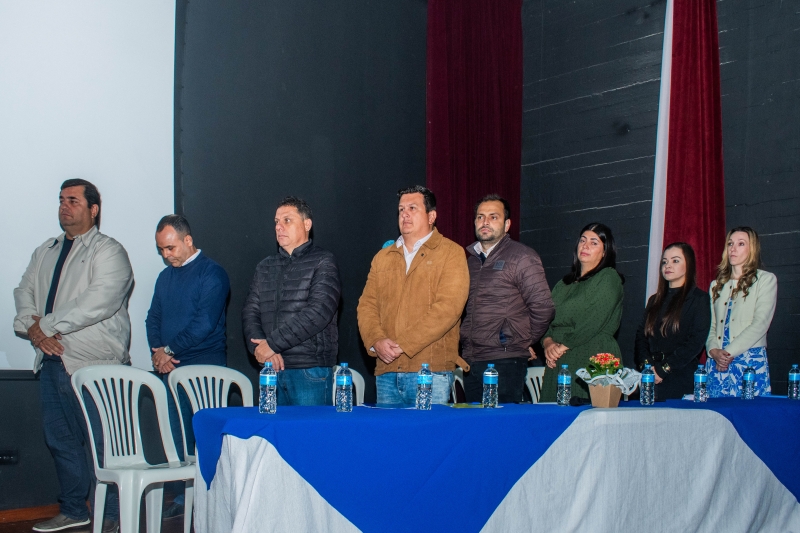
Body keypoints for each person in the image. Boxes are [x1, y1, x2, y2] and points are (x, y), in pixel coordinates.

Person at [14, 179, 133, 533]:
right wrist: (32, 327)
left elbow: (98, 301)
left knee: (104, 444)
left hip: (96, 365)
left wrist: (44, 326)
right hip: (52, 362)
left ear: (93, 209)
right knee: (61, 441)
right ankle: (74, 510)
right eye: (61, 200)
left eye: (73, 200)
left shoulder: (109, 251)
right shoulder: (46, 250)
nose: (64, 206)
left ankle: (111, 517)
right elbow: (23, 291)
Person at [146, 214, 230, 518]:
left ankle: (214, 499)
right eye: (161, 250)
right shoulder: (164, 277)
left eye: (170, 248)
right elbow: (153, 318)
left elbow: (204, 323)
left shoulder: (213, 273)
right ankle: (186, 498)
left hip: (204, 371)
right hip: (171, 371)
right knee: (178, 439)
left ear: (188, 240)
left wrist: (168, 350)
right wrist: (159, 352)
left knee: (205, 437)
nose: (166, 255)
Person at [357, 185, 470, 406]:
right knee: (389, 431)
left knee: (427, 431)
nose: (405, 214)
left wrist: (403, 344)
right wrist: (376, 341)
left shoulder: (451, 253)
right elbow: (366, 305)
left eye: (412, 208)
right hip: (387, 371)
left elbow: (448, 309)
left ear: (431, 216)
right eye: (401, 209)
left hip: (430, 372)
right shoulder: (382, 258)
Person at [242, 196, 341, 405]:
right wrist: (262, 350)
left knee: (309, 428)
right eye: (276, 222)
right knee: (271, 428)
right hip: (271, 369)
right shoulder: (264, 266)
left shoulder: (323, 261)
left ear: (307, 224)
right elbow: (250, 311)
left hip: (309, 370)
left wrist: (272, 344)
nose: (279, 227)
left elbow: (318, 312)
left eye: (287, 220)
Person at [460, 194, 554, 403]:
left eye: (493, 217)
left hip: (505, 361)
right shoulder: (470, 262)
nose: (485, 222)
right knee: (474, 422)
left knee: (500, 423)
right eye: (480, 217)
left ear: (507, 224)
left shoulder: (522, 256)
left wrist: (521, 340)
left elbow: (543, 307)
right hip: (471, 361)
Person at [539, 223, 623, 402]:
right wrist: (548, 343)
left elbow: (593, 320)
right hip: (559, 359)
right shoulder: (563, 284)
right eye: (583, 240)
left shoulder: (608, 277)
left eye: (594, 242)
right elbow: (546, 318)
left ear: (605, 252)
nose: (585, 246)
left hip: (592, 356)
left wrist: (561, 347)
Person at [706, 227, 777, 397]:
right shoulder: (716, 285)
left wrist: (727, 354)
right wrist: (713, 351)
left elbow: (760, 324)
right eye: (730, 243)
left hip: (749, 360)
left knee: (751, 411)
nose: (733, 248)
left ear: (752, 249)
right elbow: (710, 325)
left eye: (741, 244)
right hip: (717, 362)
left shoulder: (765, 280)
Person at [634, 243, 711, 399]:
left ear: (688, 265)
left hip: (680, 375)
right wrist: (648, 368)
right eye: (664, 262)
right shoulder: (654, 300)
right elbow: (641, 337)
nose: (668, 265)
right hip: (650, 376)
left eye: (675, 261)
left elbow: (695, 343)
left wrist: (662, 370)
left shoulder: (699, 299)